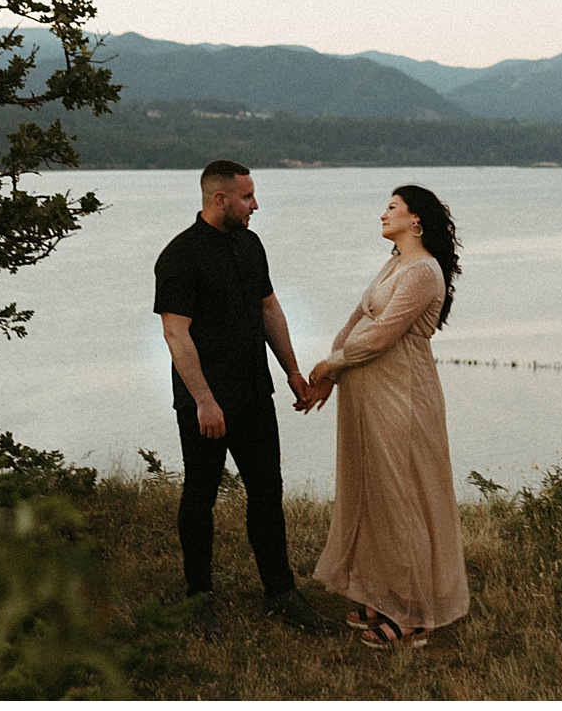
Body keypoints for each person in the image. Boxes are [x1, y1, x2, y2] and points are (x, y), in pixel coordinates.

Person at [154, 159, 332, 639]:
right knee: (200, 496)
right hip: (205, 403)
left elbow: (269, 308)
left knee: (267, 493)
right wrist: (205, 401)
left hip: (255, 393)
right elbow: (175, 333)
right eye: (247, 197)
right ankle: (198, 597)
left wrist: (292, 371)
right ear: (220, 199)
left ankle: (281, 593)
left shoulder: (251, 244)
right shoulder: (180, 255)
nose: (256, 205)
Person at [299, 184, 470, 649]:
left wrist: (330, 364)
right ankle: (386, 596)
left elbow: (382, 337)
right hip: (370, 391)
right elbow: (357, 321)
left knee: (403, 497)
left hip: (404, 395)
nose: (383, 214)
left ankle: (414, 616)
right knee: (375, 493)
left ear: (416, 220)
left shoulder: (422, 271)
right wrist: (333, 375)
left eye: (392, 207)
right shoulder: (395, 263)